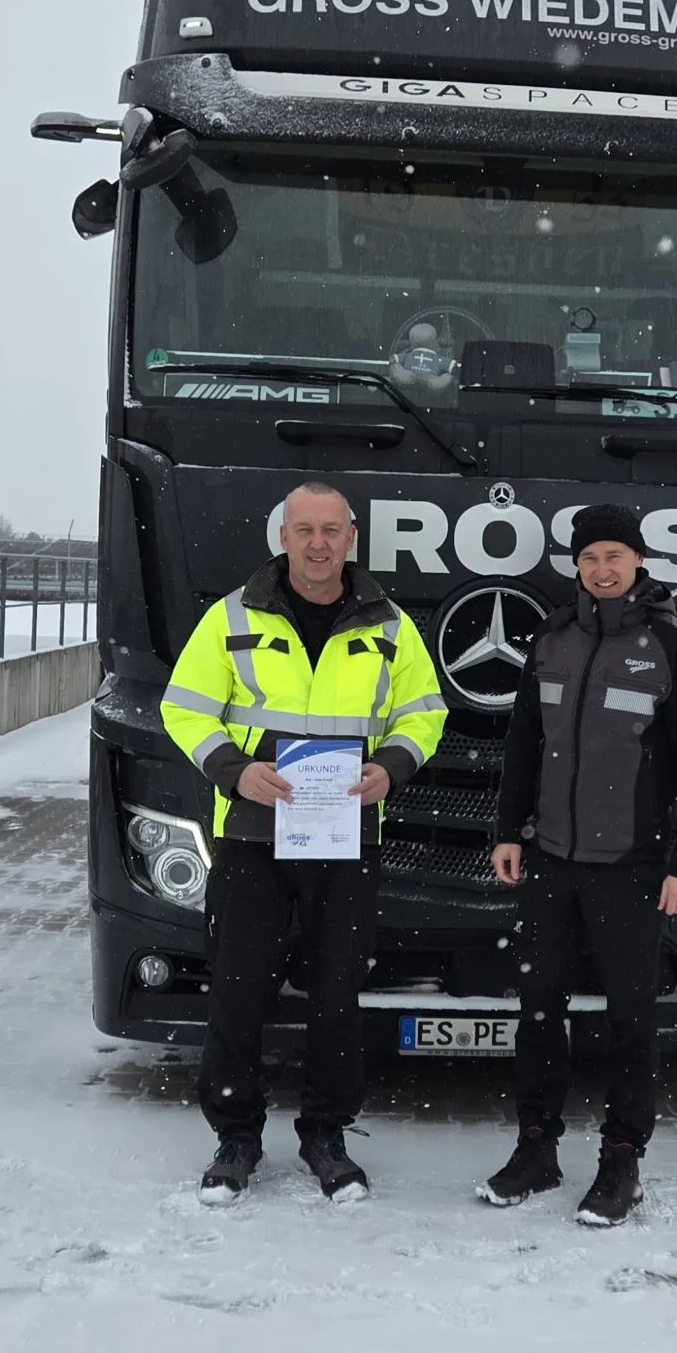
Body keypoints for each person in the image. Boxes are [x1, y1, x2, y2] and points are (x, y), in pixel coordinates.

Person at [161, 483, 446, 1204]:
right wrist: (233, 770)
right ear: (281, 538)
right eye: (303, 530)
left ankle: (325, 1135)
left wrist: (395, 767)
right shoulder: (232, 618)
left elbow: (425, 712)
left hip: (347, 837)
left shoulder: (389, 626)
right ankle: (236, 1138)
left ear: (352, 538)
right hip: (253, 837)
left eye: (331, 530)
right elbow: (184, 709)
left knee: (338, 995)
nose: (318, 544)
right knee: (236, 992)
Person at [483, 504, 677, 1225]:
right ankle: (537, 1149)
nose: (603, 568)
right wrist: (509, 830)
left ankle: (623, 1159)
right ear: (577, 566)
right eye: (590, 558)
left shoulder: (668, 642)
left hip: (632, 865)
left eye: (615, 555)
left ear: (639, 562)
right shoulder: (554, 639)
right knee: (538, 1008)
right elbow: (525, 740)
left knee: (630, 1018)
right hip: (551, 859)